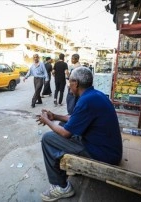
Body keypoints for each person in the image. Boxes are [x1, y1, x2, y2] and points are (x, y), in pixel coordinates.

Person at [36, 67, 123, 201]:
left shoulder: (86, 101)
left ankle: (62, 187)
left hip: (103, 153)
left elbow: (66, 134)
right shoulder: (94, 95)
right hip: (107, 148)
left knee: (48, 139)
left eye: (69, 81)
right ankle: (69, 167)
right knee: (61, 125)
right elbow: (75, 119)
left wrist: (47, 121)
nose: (68, 85)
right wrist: (55, 117)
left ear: (75, 83)